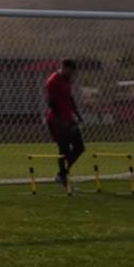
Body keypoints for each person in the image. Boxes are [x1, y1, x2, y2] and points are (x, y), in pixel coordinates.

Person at [44, 58, 85, 191]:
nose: (72, 74)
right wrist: (62, 121)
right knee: (64, 149)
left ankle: (61, 174)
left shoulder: (67, 80)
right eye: (70, 71)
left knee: (79, 147)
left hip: (68, 117)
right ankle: (63, 178)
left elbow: (69, 97)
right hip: (57, 120)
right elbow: (51, 102)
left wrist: (77, 114)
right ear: (64, 68)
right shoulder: (53, 80)